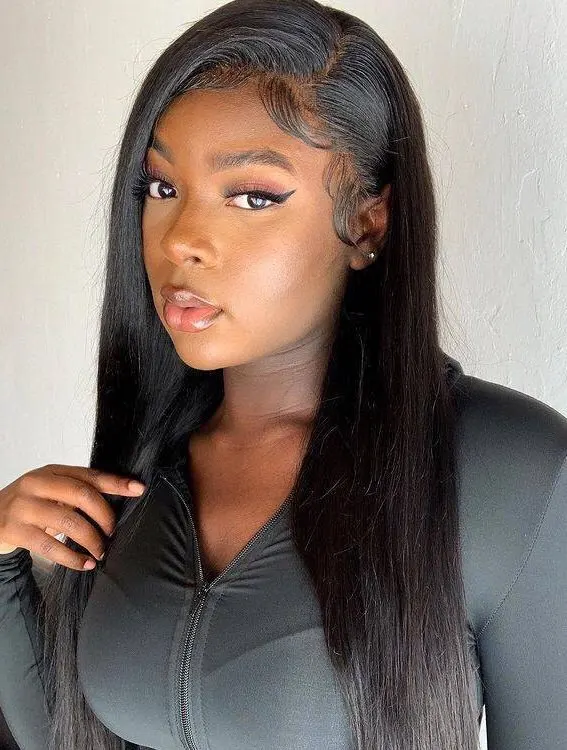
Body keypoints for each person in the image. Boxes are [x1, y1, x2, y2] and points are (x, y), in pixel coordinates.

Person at [1, 0, 566, 748]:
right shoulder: (143, 467)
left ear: (365, 222)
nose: (182, 242)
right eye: (162, 188)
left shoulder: (508, 470)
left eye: (252, 196)